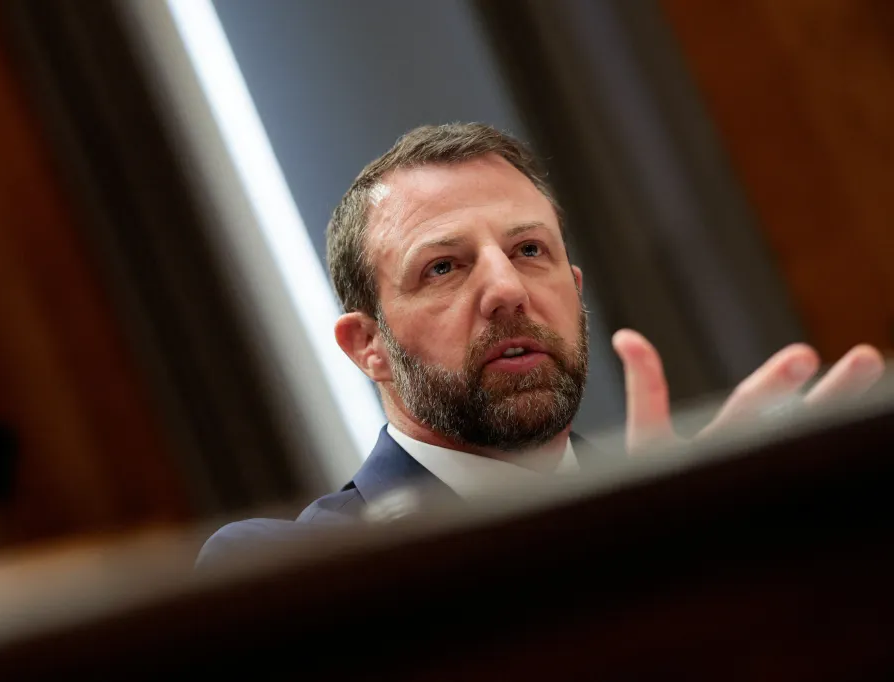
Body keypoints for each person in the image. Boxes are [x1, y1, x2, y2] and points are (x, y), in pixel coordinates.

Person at [199, 123, 884, 561]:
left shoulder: (707, 524)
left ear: (575, 290)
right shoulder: (291, 568)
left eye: (529, 250)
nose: (506, 290)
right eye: (444, 266)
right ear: (367, 345)